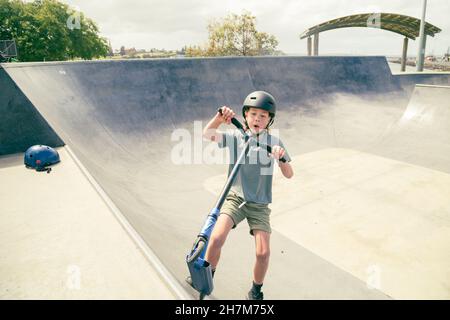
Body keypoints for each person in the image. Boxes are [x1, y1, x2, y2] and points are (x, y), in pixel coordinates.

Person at [202, 91, 293, 300]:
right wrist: (219, 118)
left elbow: (289, 174)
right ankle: (207, 277)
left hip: (259, 204)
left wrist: (281, 159)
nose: (257, 119)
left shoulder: (274, 141)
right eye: (253, 114)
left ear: (270, 119)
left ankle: (256, 290)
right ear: (245, 116)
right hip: (235, 197)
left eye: (263, 115)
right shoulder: (236, 137)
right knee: (216, 238)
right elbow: (207, 134)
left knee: (263, 253)